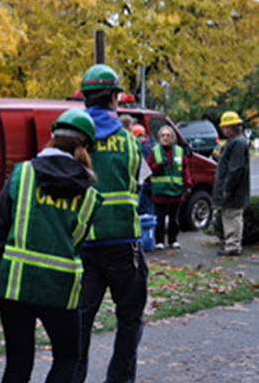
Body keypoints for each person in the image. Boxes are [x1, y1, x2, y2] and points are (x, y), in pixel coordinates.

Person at [0, 109, 102, 383]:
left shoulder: (21, 175)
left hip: (15, 285)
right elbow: (78, 242)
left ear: (52, 139)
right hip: (60, 289)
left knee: (18, 363)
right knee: (68, 358)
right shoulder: (90, 195)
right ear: (85, 148)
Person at [78, 64, 148, 383]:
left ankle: (71, 377)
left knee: (80, 321)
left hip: (83, 245)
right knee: (130, 318)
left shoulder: (74, 141)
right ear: (114, 98)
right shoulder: (130, 142)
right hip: (123, 242)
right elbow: (137, 183)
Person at [148, 126, 192, 250]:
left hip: (176, 190)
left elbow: (185, 169)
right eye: (163, 135)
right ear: (159, 138)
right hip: (160, 191)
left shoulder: (179, 151)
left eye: (168, 135)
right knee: (160, 218)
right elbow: (149, 170)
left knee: (174, 218)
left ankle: (173, 240)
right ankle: (159, 241)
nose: (165, 138)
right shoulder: (154, 151)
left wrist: (188, 185)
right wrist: (158, 165)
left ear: (173, 137)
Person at [212, 111, 250, 256]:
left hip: (234, 190)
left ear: (234, 127)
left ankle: (233, 245)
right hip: (234, 188)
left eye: (226, 127)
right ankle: (231, 244)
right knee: (230, 215)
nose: (223, 130)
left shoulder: (238, 143)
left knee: (232, 216)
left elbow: (236, 169)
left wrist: (227, 188)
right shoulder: (236, 142)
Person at [133, 124, 155, 215]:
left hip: (145, 182)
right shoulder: (151, 145)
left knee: (145, 209)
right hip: (150, 182)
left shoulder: (145, 147)